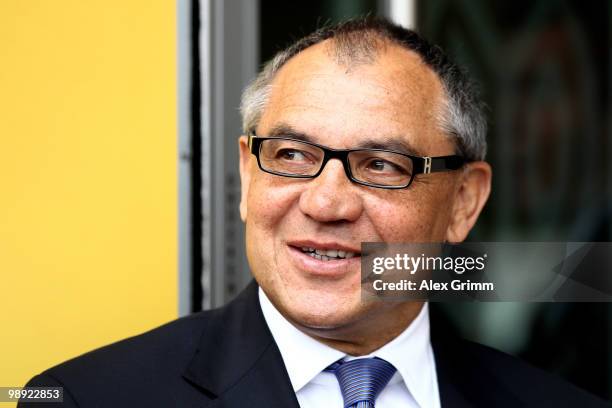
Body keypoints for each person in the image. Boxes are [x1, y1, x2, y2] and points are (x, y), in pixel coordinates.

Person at [21, 17, 607, 407]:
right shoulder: (88, 400)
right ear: (248, 176)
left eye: (381, 165)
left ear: (464, 203)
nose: (326, 203)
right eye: (292, 155)